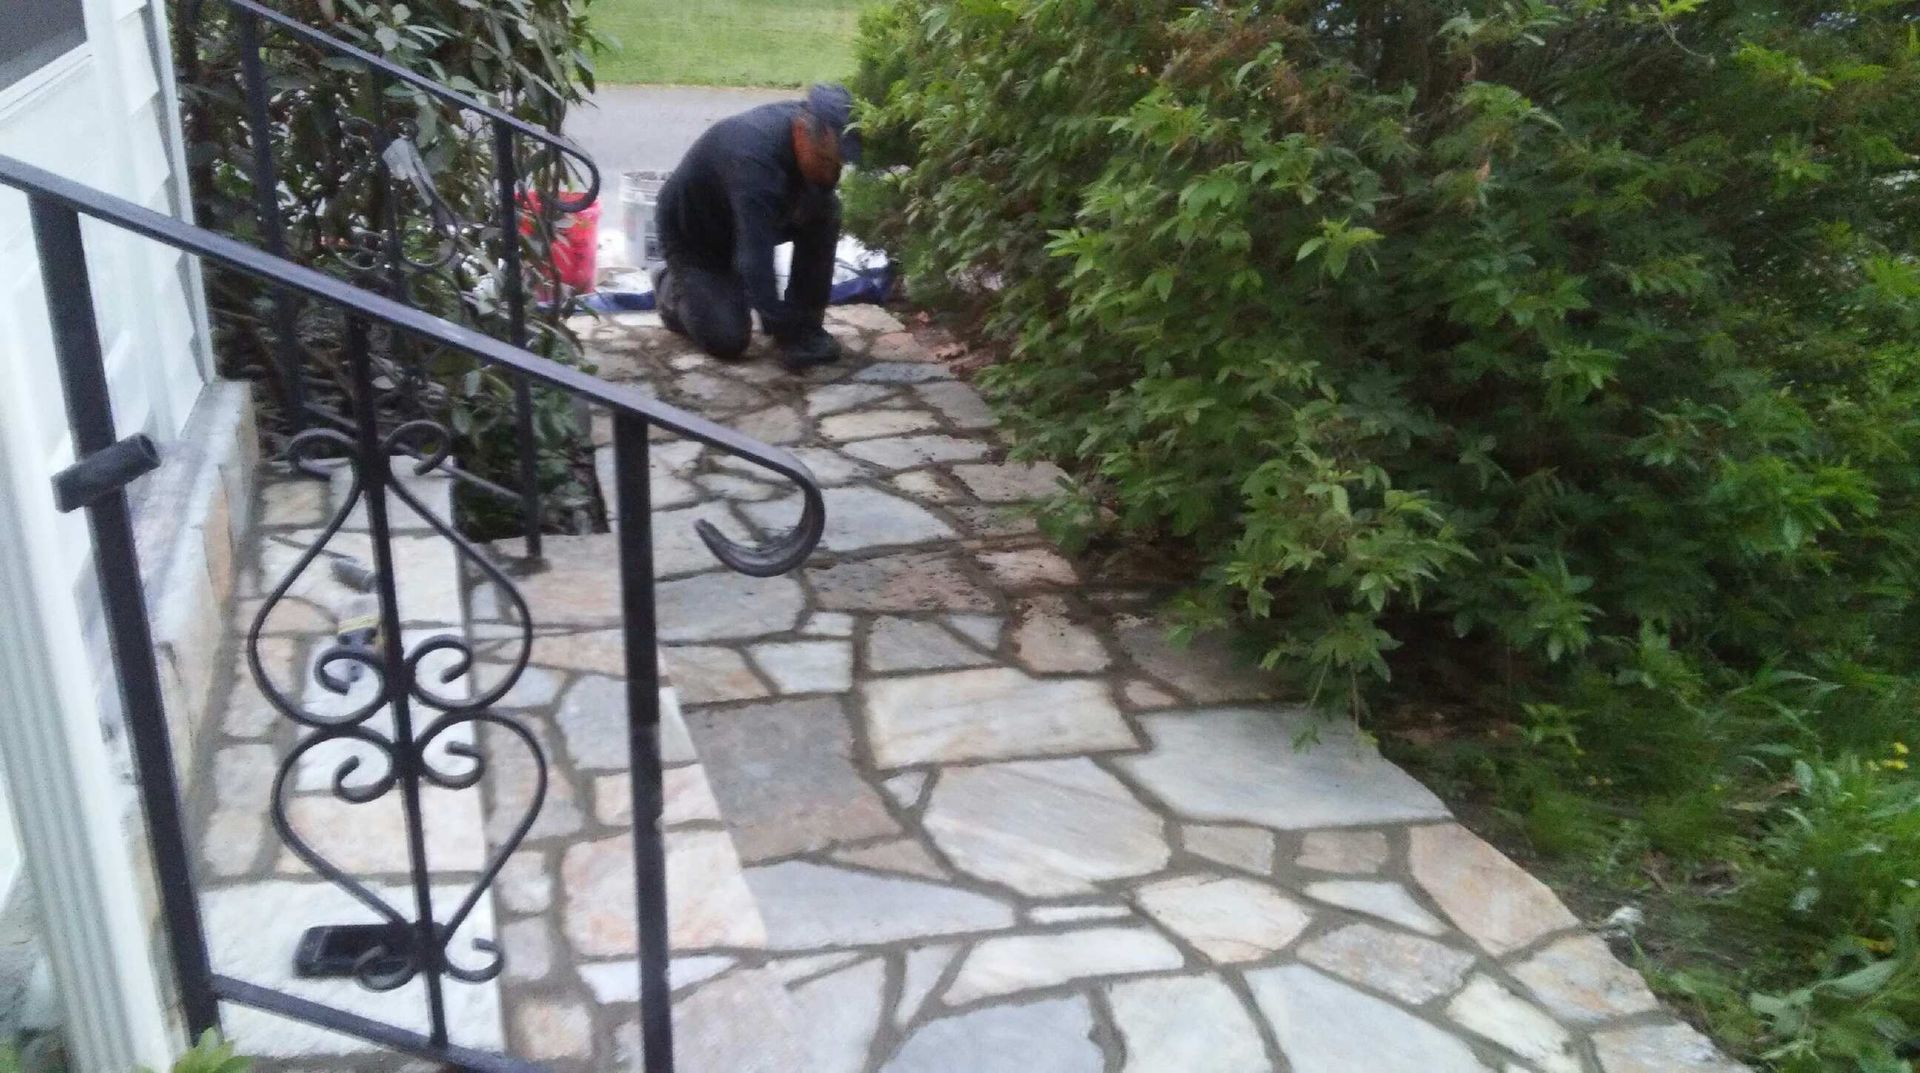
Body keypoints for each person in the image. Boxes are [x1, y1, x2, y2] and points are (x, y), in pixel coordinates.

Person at [652, 84, 861, 372]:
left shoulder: (810, 136)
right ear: (801, 133)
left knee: (826, 209)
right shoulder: (753, 161)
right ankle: (670, 288)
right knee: (728, 338)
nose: (833, 175)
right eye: (826, 161)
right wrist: (783, 330)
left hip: (743, 224)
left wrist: (804, 329)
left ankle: (805, 320)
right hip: (695, 241)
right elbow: (754, 259)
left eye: (840, 166)